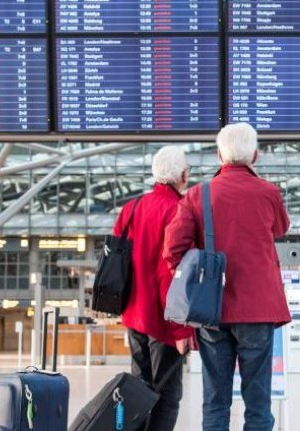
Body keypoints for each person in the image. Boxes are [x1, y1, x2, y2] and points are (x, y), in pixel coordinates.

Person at [163, 123, 291, 431]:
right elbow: (281, 228)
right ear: (255, 156)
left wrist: (193, 282)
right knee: (258, 401)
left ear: (219, 155)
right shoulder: (269, 192)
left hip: (212, 310)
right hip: (258, 310)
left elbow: (172, 249)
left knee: (216, 400)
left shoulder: (197, 195)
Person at [114, 146, 194, 431]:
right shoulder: (179, 210)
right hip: (164, 321)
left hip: (134, 315)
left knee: (140, 389)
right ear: (182, 176)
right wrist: (182, 330)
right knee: (167, 395)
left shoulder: (131, 208)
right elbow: (170, 274)